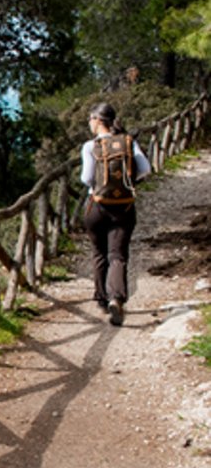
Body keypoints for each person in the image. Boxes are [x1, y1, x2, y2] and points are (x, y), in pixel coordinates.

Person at [81, 102, 151, 326]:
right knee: (118, 255)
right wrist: (129, 183)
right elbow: (146, 169)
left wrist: (98, 187)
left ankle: (102, 298)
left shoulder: (90, 146)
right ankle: (116, 298)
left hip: (97, 206)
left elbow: (85, 178)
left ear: (98, 120)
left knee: (99, 252)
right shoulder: (129, 142)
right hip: (124, 206)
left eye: (90, 120)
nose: (89, 124)